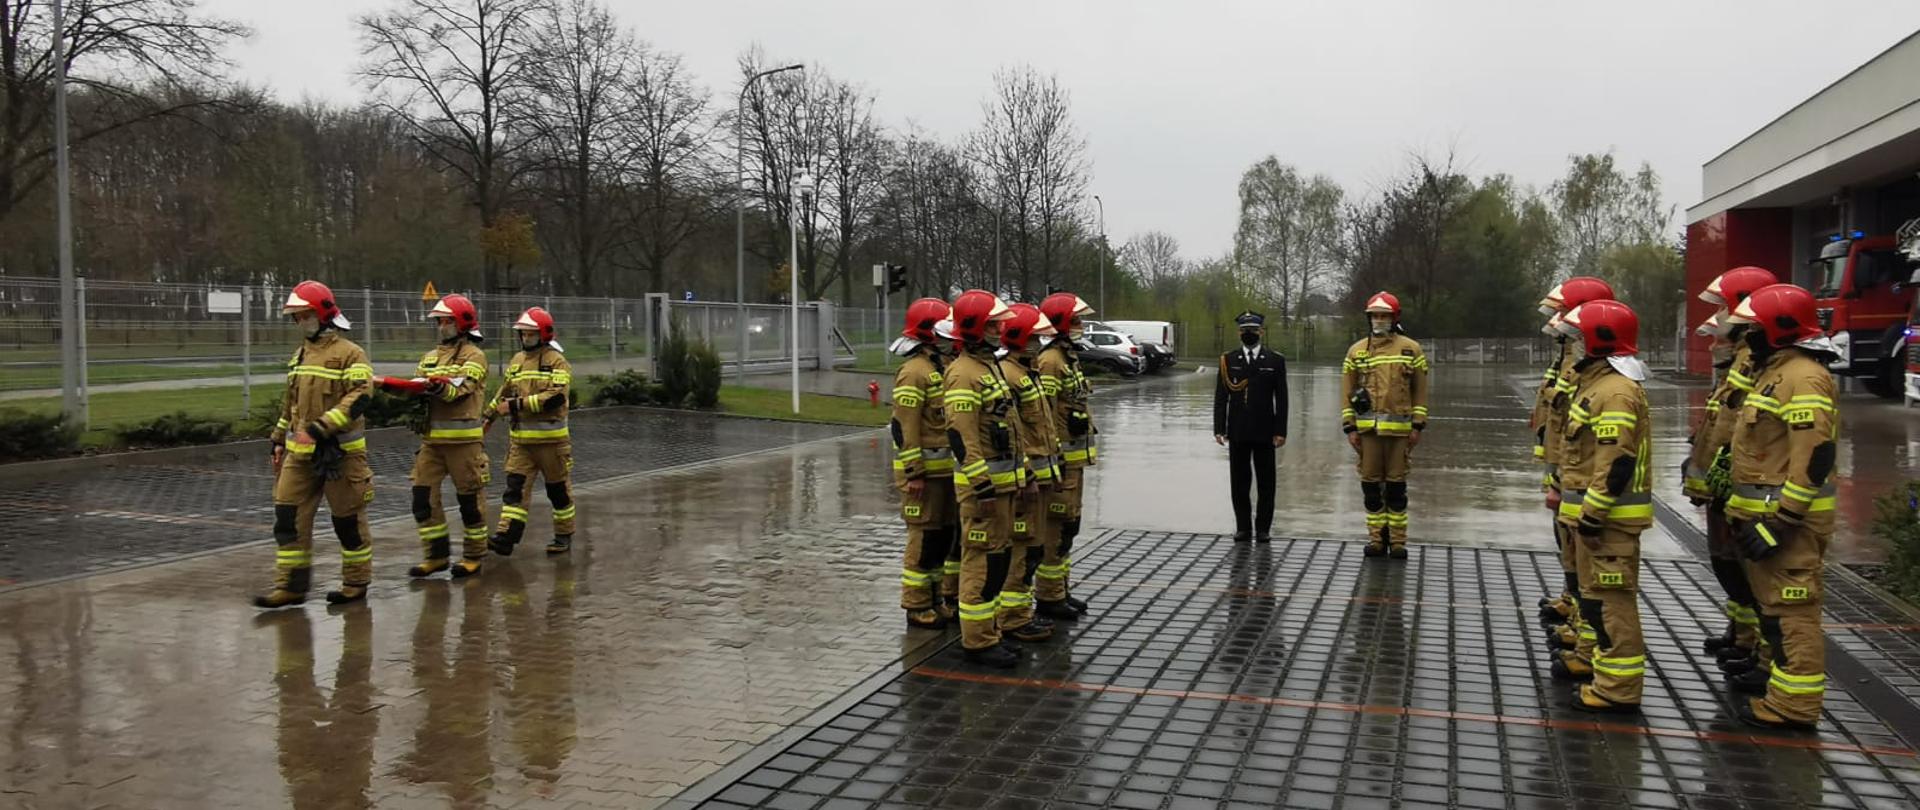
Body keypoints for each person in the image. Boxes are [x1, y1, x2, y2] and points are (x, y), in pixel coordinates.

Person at [1722, 283, 1840, 730]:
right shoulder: (1776, 373)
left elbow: (1815, 456)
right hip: (1765, 519)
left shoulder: (1803, 377)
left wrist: (1784, 519)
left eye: (1754, 328)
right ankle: (1779, 689)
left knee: (1793, 614)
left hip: (1788, 526)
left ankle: (1795, 706)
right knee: (1773, 612)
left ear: (1780, 328)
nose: (1747, 336)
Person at [1552, 299, 1654, 713]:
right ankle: (1604, 673)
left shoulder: (1614, 391)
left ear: (1600, 340)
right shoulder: (1597, 385)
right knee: (1596, 602)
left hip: (1608, 523)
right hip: (1593, 520)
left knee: (1612, 606)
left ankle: (1618, 689)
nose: (1574, 344)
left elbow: (1615, 462)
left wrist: (1592, 515)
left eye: (1579, 337)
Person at [256, 280, 377, 608]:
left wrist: (322, 427)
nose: (300, 322)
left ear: (323, 313)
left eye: (304, 315)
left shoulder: (351, 353)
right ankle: (290, 586)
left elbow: (361, 397)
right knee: (287, 517)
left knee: (347, 522)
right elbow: (291, 404)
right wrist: (278, 439)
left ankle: (355, 582)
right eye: (296, 317)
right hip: (299, 456)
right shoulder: (300, 355)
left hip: (342, 456)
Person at [1681, 267, 1776, 673]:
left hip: (1747, 486)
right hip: (1728, 484)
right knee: (1728, 564)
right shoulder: (1741, 359)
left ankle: (1758, 650)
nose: (1717, 317)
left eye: (1723, 307)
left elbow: (1748, 429)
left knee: (1749, 571)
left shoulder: (1758, 362)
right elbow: (1722, 418)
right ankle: (1742, 634)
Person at [1533, 276, 1616, 654]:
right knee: (1567, 539)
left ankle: (1583, 622)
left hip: (1576, 469)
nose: (1557, 320)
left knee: (1577, 544)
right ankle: (1574, 603)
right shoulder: (1569, 353)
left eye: (1564, 312)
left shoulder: (1589, 364)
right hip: (1562, 461)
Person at [944, 290, 1022, 667]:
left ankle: (989, 632)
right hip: (983, 491)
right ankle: (976, 641)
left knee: (997, 561)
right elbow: (963, 437)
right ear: (975, 327)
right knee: (980, 564)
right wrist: (982, 486)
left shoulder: (988, 367)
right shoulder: (963, 374)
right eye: (993, 325)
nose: (999, 330)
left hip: (1002, 485)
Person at [397, 294, 493, 579]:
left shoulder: (475, 356)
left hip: (464, 445)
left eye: (448, 321)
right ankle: (436, 555)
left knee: (469, 502)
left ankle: (473, 555)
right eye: (439, 321)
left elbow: (461, 388)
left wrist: (437, 387)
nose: (442, 326)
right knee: (422, 497)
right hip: (432, 443)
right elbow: (418, 386)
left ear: (463, 323)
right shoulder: (429, 357)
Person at [1340, 291, 1428, 559]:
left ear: (1394, 318)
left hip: (1400, 434)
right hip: (1368, 433)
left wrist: (1417, 426)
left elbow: (1420, 391)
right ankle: (1377, 539)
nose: (1379, 320)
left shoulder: (1411, 349)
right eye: (1375, 316)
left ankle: (1398, 542)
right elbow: (1347, 392)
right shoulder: (1356, 351)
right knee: (1371, 488)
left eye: (1384, 316)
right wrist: (1350, 427)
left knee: (1396, 488)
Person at [891, 298, 959, 630]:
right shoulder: (914, 371)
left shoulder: (940, 367)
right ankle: (916, 605)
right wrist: (914, 473)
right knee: (922, 540)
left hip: (944, 474)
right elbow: (904, 427)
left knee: (941, 538)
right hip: (923, 477)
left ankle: (936, 598)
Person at [487, 308, 577, 558]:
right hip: (521, 443)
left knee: (558, 491)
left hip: (552, 444)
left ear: (543, 334)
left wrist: (516, 406)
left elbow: (555, 398)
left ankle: (563, 535)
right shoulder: (517, 361)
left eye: (531, 333)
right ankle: (506, 537)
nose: (526, 338)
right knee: (514, 491)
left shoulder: (557, 361)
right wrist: (488, 416)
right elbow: (504, 392)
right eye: (523, 333)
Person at [996, 303, 1061, 642]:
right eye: (1035, 337)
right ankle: (1012, 618)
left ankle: (1022, 613)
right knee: (1021, 550)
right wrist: (1025, 475)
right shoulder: (1009, 375)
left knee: (1033, 548)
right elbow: (1013, 433)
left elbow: (1042, 427)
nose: (1039, 344)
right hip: (1026, 480)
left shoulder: (1027, 372)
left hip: (1040, 476)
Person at [1035, 293, 1097, 619]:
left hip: (1075, 462)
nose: (1081, 325)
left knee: (1068, 528)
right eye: (1075, 320)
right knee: (1055, 529)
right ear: (1059, 323)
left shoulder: (1067, 358)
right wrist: (1053, 457)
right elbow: (1044, 413)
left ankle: (1060, 589)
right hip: (1061, 463)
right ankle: (1048, 597)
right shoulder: (1050, 361)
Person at [1213, 310, 1289, 543]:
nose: (1249, 334)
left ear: (1261, 332)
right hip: (1238, 430)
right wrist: (1219, 428)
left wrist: (1280, 431)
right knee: (1239, 482)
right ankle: (1243, 528)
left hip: (1265, 431)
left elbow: (1282, 399)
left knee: (1266, 483)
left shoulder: (1275, 360)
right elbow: (1221, 397)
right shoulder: (1228, 360)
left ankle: (1263, 529)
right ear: (1239, 333)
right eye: (1245, 330)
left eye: (1253, 330)